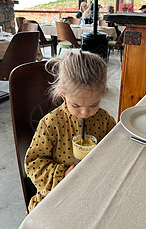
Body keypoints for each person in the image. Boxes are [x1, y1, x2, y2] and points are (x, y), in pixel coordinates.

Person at [25, 50, 116, 212]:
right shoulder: (51, 124)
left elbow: (114, 151)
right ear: (63, 93)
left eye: (94, 104)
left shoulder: (105, 120)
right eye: (76, 105)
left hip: (91, 195)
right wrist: (63, 175)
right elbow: (33, 163)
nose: (85, 113)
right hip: (55, 198)